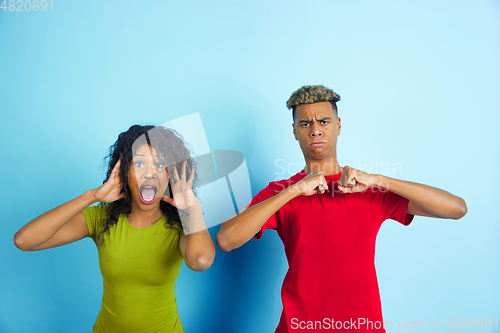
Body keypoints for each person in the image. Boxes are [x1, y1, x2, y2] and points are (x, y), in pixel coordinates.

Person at [216, 85, 467, 333]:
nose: (315, 130)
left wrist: (380, 180)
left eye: (324, 121)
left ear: (338, 125)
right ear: (294, 131)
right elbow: (226, 239)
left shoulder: (368, 188)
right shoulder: (281, 192)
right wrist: (294, 190)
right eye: (305, 124)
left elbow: (457, 208)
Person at [14, 125, 215, 332]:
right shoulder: (101, 218)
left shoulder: (184, 225)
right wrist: (92, 196)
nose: (149, 174)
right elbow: (24, 240)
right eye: (139, 163)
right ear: (124, 173)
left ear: (169, 175)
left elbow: (200, 262)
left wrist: (192, 208)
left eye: (159, 164)